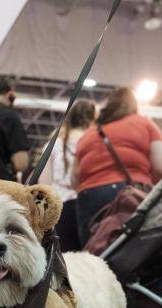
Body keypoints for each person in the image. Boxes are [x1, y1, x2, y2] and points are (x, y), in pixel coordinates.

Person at [73, 88, 162, 248]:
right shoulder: (145, 124)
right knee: (129, 254)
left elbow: (74, 177)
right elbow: (161, 168)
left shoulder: (89, 134)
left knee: (92, 257)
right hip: (128, 193)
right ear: (134, 106)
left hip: (88, 196)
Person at [37, 99, 96, 252]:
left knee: (60, 257)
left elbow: (44, 183)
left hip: (59, 207)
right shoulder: (94, 143)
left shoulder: (54, 144)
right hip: (86, 205)